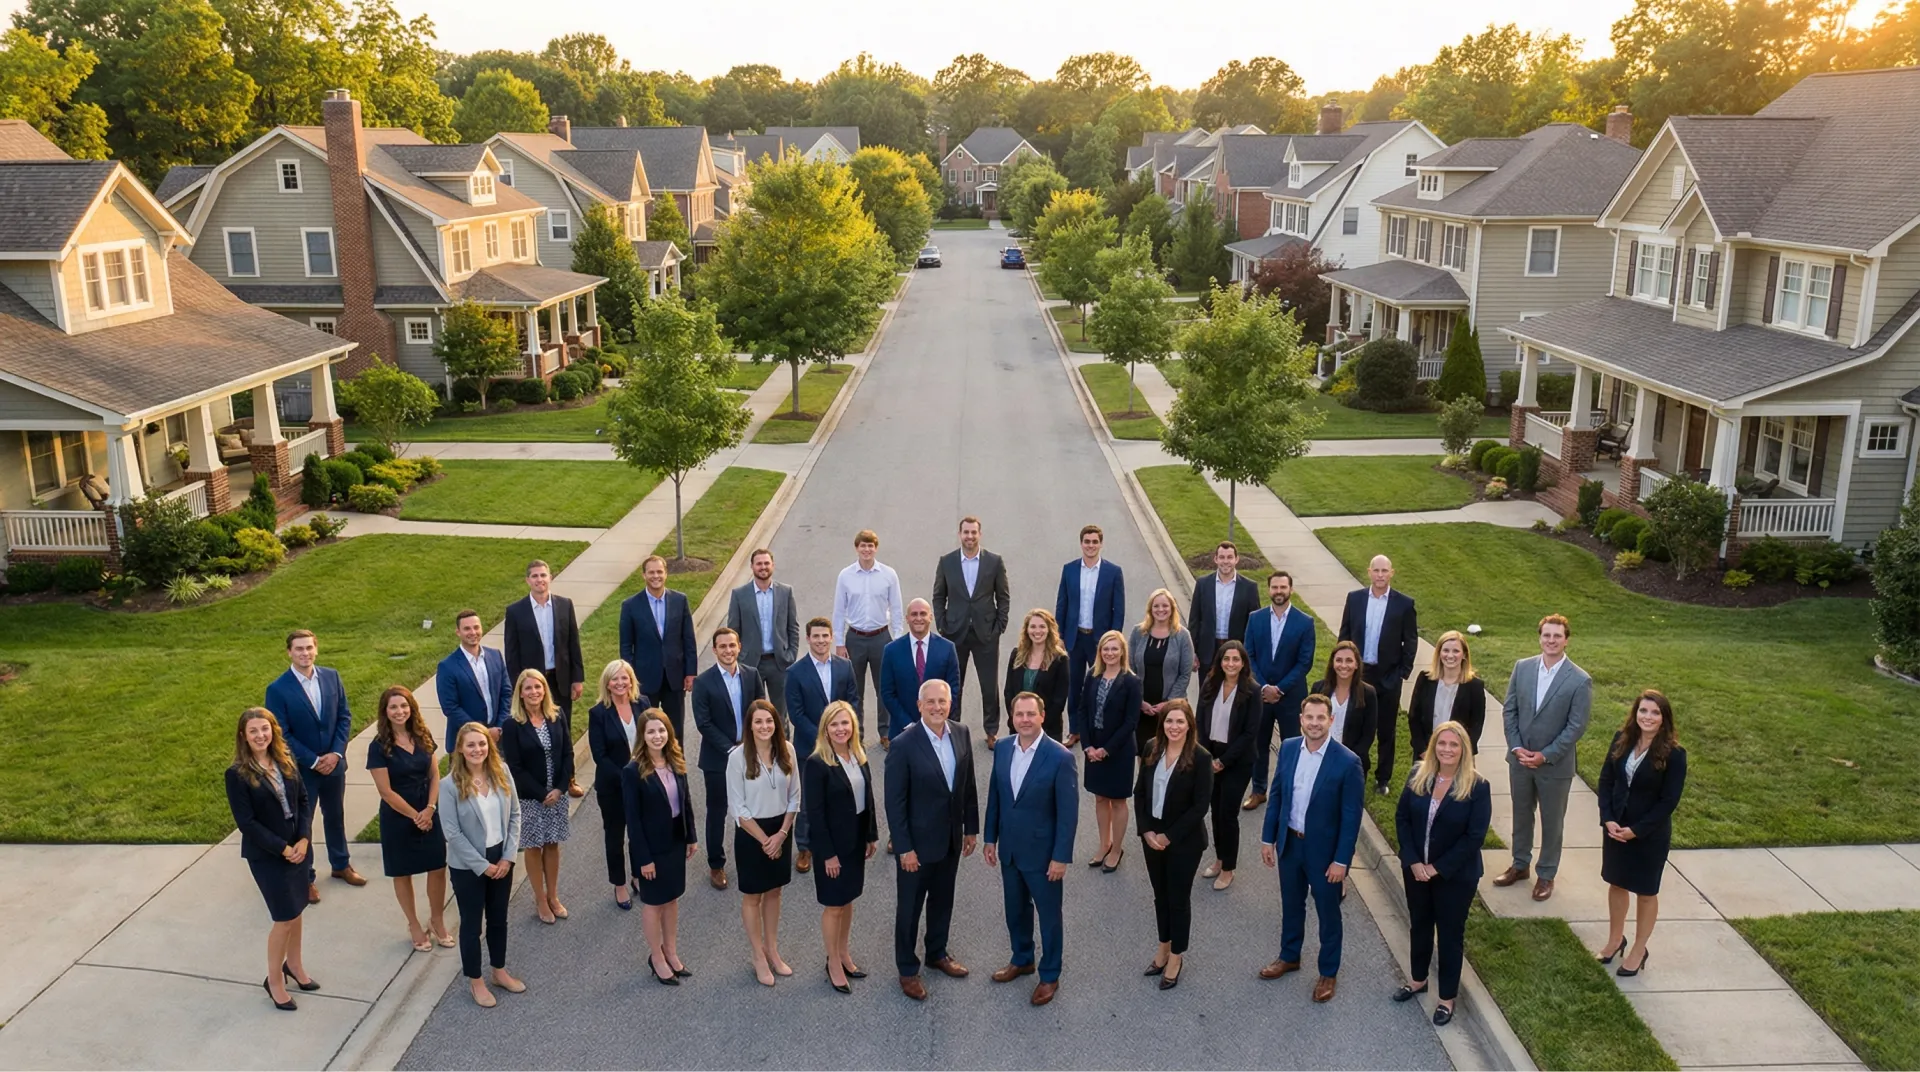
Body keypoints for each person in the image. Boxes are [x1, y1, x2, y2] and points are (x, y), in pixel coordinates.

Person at [1259, 695, 1364, 1003]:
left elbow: (1350, 818)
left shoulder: (1347, 762)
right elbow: (1277, 796)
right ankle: (1289, 955)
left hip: (1325, 855)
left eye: (1321, 718)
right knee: (1291, 904)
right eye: (1309, 718)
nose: (1315, 723)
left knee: (1328, 913)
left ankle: (1328, 972)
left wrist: (1341, 861)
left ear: (1331, 721)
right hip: (1290, 844)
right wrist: (1268, 839)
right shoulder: (1290, 748)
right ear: (1301, 719)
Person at [982, 691, 1079, 1006]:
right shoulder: (1004, 748)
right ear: (1012, 717)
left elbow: (1068, 813)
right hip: (1010, 849)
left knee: (1049, 917)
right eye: (1019, 714)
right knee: (1015, 910)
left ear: (1042, 717)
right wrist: (989, 838)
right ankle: (1022, 958)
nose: (1024, 720)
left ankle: (1050, 974)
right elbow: (996, 796)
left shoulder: (1060, 757)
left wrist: (1061, 857)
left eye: (1030, 714)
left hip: (1043, 855)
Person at [885, 679, 980, 1001]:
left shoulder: (962, 733)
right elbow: (894, 803)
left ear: (950, 703)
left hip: (950, 839)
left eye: (943, 701)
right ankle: (907, 968)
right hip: (917, 845)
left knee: (943, 900)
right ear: (919, 705)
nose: (937, 707)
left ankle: (937, 953)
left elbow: (967, 785)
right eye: (931, 702)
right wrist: (904, 847)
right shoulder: (903, 744)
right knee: (909, 908)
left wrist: (971, 828)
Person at [1392, 720, 1491, 1026]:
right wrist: (1412, 861)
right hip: (1416, 871)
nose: (1447, 749)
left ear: (1464, 750)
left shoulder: (1477, 786)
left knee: (1449, 935)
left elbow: (1474, 837)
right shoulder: (1417, 775)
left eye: (1454, 745)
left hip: (1454, 877)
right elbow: (1402, 818)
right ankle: (1418, 979)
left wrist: (1437, 868)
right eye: (1442, 743)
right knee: (1419, 926)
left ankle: (1447, 997)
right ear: (1434, 746)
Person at [1495, 614, 1593, 903]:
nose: (1551, 640)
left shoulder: (1579, 680)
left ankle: (1546, 874)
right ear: (1539, 637)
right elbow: (1509, 710)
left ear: (1566, 639)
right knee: (1521, 814)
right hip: (1520, 760)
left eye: (1557, 636)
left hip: (1555, 766)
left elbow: (1576, 726)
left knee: (1552, 823)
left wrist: (1545, 755)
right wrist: (1516, 747)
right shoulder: (1522, 668)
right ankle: (1519, 865)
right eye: (1546, 635)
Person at [225, 708, 316, 1011]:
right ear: (243, 736)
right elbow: (247, 823)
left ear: (273, 730)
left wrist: (303, 838)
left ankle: (296, 965)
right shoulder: (237, 775)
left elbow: (304, 800)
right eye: (253, 731)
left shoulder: (285, 760)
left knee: (298, 907)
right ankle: (274, 980)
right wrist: (283, 848)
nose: (260, 735)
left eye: (265, 728)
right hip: (268, 855)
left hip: (299, 848)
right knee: (284, 917)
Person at [264, 629, 362, 900]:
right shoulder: (277, 689)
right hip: (301, 770)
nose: (305, 653)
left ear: (316, 649)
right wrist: (315, 760)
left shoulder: (332, 677)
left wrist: (336, 754)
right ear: (289, 652)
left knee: (335, 815)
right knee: (302, 824)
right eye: (299, 649)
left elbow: (344, 717)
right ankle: (305, 878)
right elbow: (281, 733)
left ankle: (341, 865)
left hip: (334, 764)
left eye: (309, 648)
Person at [1597, 690, 1687, 979]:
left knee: (1646, 892)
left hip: (1648, 835)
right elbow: (1606, 780)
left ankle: (1638, 948)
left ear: (1664, 719)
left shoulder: (1675, 755)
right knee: (1616, 884)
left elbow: (1668, 802)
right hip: (1616, 829)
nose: (1647, 717)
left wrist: (1637, 831)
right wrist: (1608, 819)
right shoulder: (1621, 740)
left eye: (1655, 713)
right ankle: (1615, 940)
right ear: (1635, 713)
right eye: (1643, 711)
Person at [441, 722, 526, 1008]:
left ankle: (499, 971)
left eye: (481, 744)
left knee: (499, 918)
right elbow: (452, 833)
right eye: (471, 745)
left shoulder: (501, 772)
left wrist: (508, 856)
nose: (477, 749)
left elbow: (515, 814)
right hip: (468, 866)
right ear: (460, 749)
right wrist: (482, 865)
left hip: (501, 857)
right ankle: (476, 981)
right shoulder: (449, 785)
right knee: (472, 923)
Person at [1133, 699, 1212, 990]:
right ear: (1161, 723)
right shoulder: (1151, 747)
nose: (1174, 727)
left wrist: (1169, 836)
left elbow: (1200, 806)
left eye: (1180, 721)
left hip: (1183, 841)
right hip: (1151, 837)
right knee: (1160, 896)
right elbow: (1139, 792)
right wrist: (1146, 831)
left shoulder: (1200, 757)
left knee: (1178, 899)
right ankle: (1163, 947)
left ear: (1189, 724)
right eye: (1169, 721)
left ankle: (1177, 956)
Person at [366, 686, 451, 952]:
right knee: (402, 872)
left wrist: (430, 809)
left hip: (428, 810)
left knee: (437, 867)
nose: (400, 711)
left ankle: (437, 919)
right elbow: (385, 791)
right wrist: (416, 816)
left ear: (411, 708)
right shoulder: (378, 747)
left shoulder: (422, 736)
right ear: (385, 712)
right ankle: (414, 924)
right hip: (398, 816)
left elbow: (435, 775)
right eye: (393, 707)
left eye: (404, 706)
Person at [802, 701, 878, 994]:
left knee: (848, 901)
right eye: (834, 724)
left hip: (856, 840)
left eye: (845, 723)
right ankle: (832, 961)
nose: (840, 729)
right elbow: (815, 814)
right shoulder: (817, 763)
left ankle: (844, 953)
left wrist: (871, 835)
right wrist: (828, 854)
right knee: (834, 906)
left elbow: (867, 798)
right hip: (832, 846)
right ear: (825, 729)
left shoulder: (858, 755)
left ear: (853, 727)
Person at [727, 699, 802, 987]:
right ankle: (757, 955)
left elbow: (795, 796)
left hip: (780, 829)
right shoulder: (737, 758)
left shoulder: (788, 751)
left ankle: (772, 949)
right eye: (758, 722)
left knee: (774, 892)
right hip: (752, 833)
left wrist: (781, 834)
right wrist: (765, 840)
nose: (764, 726)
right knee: (753, 895)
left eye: (769, 721)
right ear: (750, 725)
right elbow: (738, 808)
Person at [622, 708, 697, 985]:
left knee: (672, 898)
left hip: (676, 842)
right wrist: (643, 859)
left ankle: (671, 951)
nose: (657, 736)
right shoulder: (632, 771)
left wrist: (691, 837)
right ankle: (656, 957)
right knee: (654, 903)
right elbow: (633, 819)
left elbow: (686, 801)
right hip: (651, 850)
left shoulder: (675, 761)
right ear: (642, 736)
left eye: (662, 730)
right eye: (651, 731)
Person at [1338, 555, 1419, 796]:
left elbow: (1411, 640)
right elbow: (1345, 632)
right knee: (1356, 725)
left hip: (1388, 676)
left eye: (1384, 571)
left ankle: (1382, 778)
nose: (1380, 575)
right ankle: (1356, 770)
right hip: (1359, 674)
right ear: (1369, 572)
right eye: (1376, 570)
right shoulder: (1355, 599)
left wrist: (1402, 672)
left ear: (1391, 573)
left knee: (1386, 729)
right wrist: (1344, 665)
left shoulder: (1404, 604)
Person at [503, 559, 585, 796]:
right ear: (528, 580)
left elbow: (573, 643)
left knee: (562, 730)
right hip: (532, 683)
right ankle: (539, 782)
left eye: (543, 575)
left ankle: (568, 780)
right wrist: (520, 685)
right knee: (534, 732)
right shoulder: (516, 611)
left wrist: (577, 678)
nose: (540, 580)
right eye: (535, 576)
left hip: (560, 678)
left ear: (550, 577)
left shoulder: (564, 605)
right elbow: (512, 652)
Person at [693, 627, 765, 890]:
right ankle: (716, 864)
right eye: (722, 646)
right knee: (718, 812)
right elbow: (704, 723)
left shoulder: (752, 675)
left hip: (750, 754)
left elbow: (761, 712)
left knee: (751, 808)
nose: (728, 651)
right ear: (714, 650)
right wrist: (731, 749)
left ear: (739, 646)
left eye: (732, 645)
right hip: (717, 759)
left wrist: (752, 745)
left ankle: (751, 858)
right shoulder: (703, 682)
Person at [499, 669, 573, 925]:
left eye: (538, 687)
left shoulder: (557, 715)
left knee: (552, 843)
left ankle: (553, 896)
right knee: (534, 846)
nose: (534, 692)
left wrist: (561, 788)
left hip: (557, 793)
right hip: (531, 797)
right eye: (528, 688)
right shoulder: (512, 725)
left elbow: (567, 754)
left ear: (545, 690)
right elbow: (515, 768)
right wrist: (542, 794)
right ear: (520, 692)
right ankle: (539, 898)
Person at [788, 617, 859, 875]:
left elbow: (853, 703)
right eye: (815, 636)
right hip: (809, 749)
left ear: (831, 637)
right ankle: (805, 847)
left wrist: (843, 735)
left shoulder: (845, 667)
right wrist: (822, 739)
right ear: (808, 639)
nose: (820, 641)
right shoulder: (795, 672)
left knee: (840, 796)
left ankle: (839, 841)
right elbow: (796, 714)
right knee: (808, 801)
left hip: (842, 746)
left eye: (825, 636)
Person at [931, 516, 1012, 743]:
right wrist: (942, 624)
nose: (969, 536)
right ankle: (952, 727)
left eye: (973, 532)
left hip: (986, 633)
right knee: (954, 684)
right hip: (954, 633)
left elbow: (1003, 597)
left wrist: (999, 626)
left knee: (989, 685)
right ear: (960, 534)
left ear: (980, 534)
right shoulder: (947, 562)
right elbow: (939, 596)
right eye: (966, 532)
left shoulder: (994, 562)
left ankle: (991, 731)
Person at [1242, 572, 1315, 811]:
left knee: (1291, 745)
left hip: (1291, 697)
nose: (1279, 591)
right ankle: (1259, 790)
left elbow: (1305, 663)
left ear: (1291, 590)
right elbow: (1248, 655)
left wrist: (1280, 689)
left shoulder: (1305, 622)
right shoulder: (1256, 619)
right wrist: (1263, 686)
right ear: (1269, 590)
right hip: (1260, 695)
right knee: (1259, 744)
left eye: (1283, 587)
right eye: (1275, 587)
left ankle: (1287, 792)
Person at [587, 660, 651, 910]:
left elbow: (651, 740)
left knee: (638, 833)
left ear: (631, 680)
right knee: (615, 836)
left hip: (642, 782)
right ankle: (619, 884)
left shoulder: (642, 704)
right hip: (612, 786)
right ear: (607, 683)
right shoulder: (598, 713)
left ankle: (637, 875)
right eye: (615, 679)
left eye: (624, 678)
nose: (620, 683)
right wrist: (626, 778)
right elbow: (599, 756)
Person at [1078, 630, 1141, 873]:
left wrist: (1106, 749)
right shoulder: (1092, 676)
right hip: (1093, 748)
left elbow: (1130, 721)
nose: (1110, 653)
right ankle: (1104, 843)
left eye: (1115, 648)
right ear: (1100, 652)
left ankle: (1117, 849)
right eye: (1106, 648)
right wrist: (1088, 746)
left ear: (1122, 651)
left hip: (1119, 750)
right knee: (1100, 797)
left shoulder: (1131, 681)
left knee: (1117, 800)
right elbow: (1082, 711)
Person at [1199, 641, 1259, 891]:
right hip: (1210, 755)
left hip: (1237, 760)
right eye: (1226, 659)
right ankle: (1219, 858)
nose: (1231, 664)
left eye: (1236, 659)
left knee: (1228, 814)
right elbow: (1199, 721)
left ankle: (1228, 868)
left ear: (1243, 663)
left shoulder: (1252, 691)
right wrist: (1205, 756)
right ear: (1220, 662)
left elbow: (1249, 733)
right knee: (1214, 810)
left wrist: (1223, 761)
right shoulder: (1210, 684)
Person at [833, 529, 905, 738]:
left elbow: (897, 608)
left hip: (881, 637)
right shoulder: (845, 576)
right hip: (854, 637)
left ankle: (885, 733)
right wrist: (839, 642)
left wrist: (898, 639)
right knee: (854, 690)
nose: (866, 550)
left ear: (876, 548)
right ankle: (856, 735)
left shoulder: (888, 574)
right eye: (863, 546)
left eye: (870, 546)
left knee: (884, 688)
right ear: (857, 548)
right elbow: (839, 610)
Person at [619, 555, 697, 743]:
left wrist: (690, 672)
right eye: (651, 572)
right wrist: (630, 678)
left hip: (675, 677)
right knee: (646, 729)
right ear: (644, 575)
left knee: (676, 730)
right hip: (644, 679)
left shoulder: (680, 600)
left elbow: (688, 639)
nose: (656, 576)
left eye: (659, 572)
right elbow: (625, 646)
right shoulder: (630, 605)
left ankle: (678, 769)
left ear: (666, 574)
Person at [1054, 524, 1126, 728]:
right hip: (1074, 639)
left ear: (1101, 544)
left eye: (1095, 542)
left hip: (1101, 641)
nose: (1091, 545)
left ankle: (1098, 727)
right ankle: (1075, 729)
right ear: (1081, 544)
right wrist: (1058, 635)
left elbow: (1118, 610)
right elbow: (1062, 604)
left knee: (1099, 686)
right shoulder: (1069, 570)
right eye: (1087, 541)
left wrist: (1114, 640)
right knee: (1073, 686)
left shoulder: (1113, 572)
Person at [1129, 588, 1197, 771]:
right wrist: (1140, 701)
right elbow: (1130, 669)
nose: (1160, 610)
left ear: (1172, 608)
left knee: (1167, 756)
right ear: (1150, 609)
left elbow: (1185, 674)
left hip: (1170, 709)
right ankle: (1144, 795)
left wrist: (1168, 703)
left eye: (1165, 606)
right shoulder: (1138, 632)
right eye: (1156, 606)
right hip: (1143, 708)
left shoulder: (1182, 636)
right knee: (1144, 756)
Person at [728, 548, 800, 720]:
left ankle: (782, 746)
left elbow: (793, 627)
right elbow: (733, 631)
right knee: (753, 714)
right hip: (751, 664)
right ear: (752, 567)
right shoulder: (739, 595)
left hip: (779, 663)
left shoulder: (785, 592)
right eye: (759, 564)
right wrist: (738, 660)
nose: (763, 567)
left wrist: (790, 655)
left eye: (766, 563)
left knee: (780, 715)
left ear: (773, 565)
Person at [879, 598, 960, 745]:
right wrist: (908, 724)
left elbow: (953, 690)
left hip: (938, 729)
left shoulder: (947, 649)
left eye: (923, 614)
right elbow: (887, 693)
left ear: (931, 617)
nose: (918, 618)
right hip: (902, 732)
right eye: (914, 614)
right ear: (907, 618)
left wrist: (936, 720)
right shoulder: (891, 650)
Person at [436, 609, 512, 750]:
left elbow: (506, 693)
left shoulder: (495, 656)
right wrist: (480, 732)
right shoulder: (447, 666)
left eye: (476, 627)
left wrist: (500, 727)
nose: (473, 632)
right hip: (465, 742)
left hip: (497, 738)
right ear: (458, 632)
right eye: (467, 629)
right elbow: (450, 707)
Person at [1408, 631, 1488, 763]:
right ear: (1439, 653)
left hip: (1458, 756)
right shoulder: (1425, 679)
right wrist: (1423, 750)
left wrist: (1460, 752)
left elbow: (1476, 724)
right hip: (1426, 754)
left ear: (1464, 655)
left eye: (1456, 651)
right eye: (1445, 650)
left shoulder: (1474, 686)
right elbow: (1414, 717)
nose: (1450, 655)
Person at [1310, 641, 1380, 788]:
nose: (1343, 665)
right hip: (1320, 759)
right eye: (1339, 660)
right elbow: (1310, 724)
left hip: (1352, 762)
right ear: (1332, 663)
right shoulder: (1318, 688)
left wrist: (1348, 761)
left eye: (1349, 660)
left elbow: (1368, 734)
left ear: (1356, 664)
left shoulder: (1368, 693)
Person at [1189, 541, 1259, 676]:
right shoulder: (1203, 584)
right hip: (1208, 652)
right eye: (1222, 557)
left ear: (1236, 559)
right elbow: (1194, 620)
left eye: (1229, 557)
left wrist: (1249, 654)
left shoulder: (1249, 587)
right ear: (1215, 559)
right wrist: (1193, 651)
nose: (1225, 561)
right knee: (1207, 694)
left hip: (1236, 651)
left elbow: (1253, 625)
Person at [1004, 609, 1073, 743]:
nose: (1037, 631)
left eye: (1042, 626)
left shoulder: (1059, 659)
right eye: (1033, 627)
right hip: (1018, 728)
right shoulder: (1016, 655)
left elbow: (1059, 700)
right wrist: (1017, 719)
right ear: (1027, 630)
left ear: (1049, 629)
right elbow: (1009, 692)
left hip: (1047, 730)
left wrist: (1037, 724)